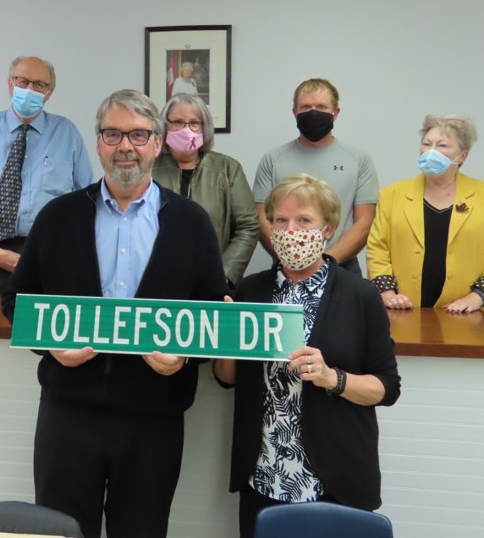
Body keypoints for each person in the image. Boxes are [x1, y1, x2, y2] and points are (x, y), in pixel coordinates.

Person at [2, 89, 229, 538]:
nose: (125, 146)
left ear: (158, 144)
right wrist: (50, 345)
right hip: (69, 414)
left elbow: (212, 315)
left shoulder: (190, 222)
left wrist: (185, 358)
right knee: (60, 531)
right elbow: (16, 300)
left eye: (139, 135)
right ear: (99, 142)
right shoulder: (58, 217)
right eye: (113, 134)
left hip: (153, 419)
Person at [213, 173, 400, 538]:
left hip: (337, 478)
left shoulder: (359, 295)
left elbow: (387, 387)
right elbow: (225, 378)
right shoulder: (251, 291)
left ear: (327, 228)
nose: (289, 230)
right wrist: (227, 338)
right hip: (265, 475)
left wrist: (334, 378)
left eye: (303, 220)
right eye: (279, 221)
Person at [0, 55, 93, 293]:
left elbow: (85, 201)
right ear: (10, 84)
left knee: (42, 328)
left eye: (39, 85)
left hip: (49, 255)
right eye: (23, 81)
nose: (30, 90)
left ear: (49, 93)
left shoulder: (67, 133)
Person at [366, 115, 484, 313]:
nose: (431, 151)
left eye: (442, 145)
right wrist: (387, 293)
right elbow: (378, 249)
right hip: (402, 310)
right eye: (426, 144)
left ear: (463, 156)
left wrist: (476, 297)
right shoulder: (392, 194)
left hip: (463, 314)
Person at [253, 78, 378, 275]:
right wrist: (291, 258)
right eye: (305, 107)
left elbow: (364, 222)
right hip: (285, 267)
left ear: (335, 113)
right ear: (294, 112)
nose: (313, 113)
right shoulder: (273, 160)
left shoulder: (358, 160)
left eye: (321, 107)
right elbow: (261, 218)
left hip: (342, 268)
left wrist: (325, 262)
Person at [152, 92, 259, 286]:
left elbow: (248, 226)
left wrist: (223, 275)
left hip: (212, 282)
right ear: (164, 126)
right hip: (157, 282)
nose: (186, 129)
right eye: (177, 122)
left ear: (205, 127)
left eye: (194, 123)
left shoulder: (228, 169)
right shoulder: (148, 168)